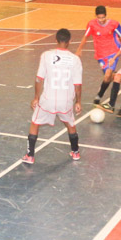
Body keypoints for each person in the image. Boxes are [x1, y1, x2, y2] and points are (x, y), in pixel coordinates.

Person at [22, 28, 83, 164]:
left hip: (48, 99)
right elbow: (78, 85)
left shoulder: (46, 56)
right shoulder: (75, 60)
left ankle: (30, 155)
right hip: (66, 100)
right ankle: (75, 152)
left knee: (35, 123)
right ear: (70, 41)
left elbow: (39, 79)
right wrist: (78, 102)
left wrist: (36, 98)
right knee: (70, 123)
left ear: (56, 40)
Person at [75, 4, 121, 105]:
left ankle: (99, 95)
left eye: (103, 17)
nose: (101, 20)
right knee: (108, 77)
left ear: (106, 15)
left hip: (113, 53)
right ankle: (120, 75)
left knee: (107, 75)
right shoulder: (91, 25)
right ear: (96, 16)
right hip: (100, 55)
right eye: (99, 18)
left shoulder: (114, 24)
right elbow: (85, 37)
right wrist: (79, 49)